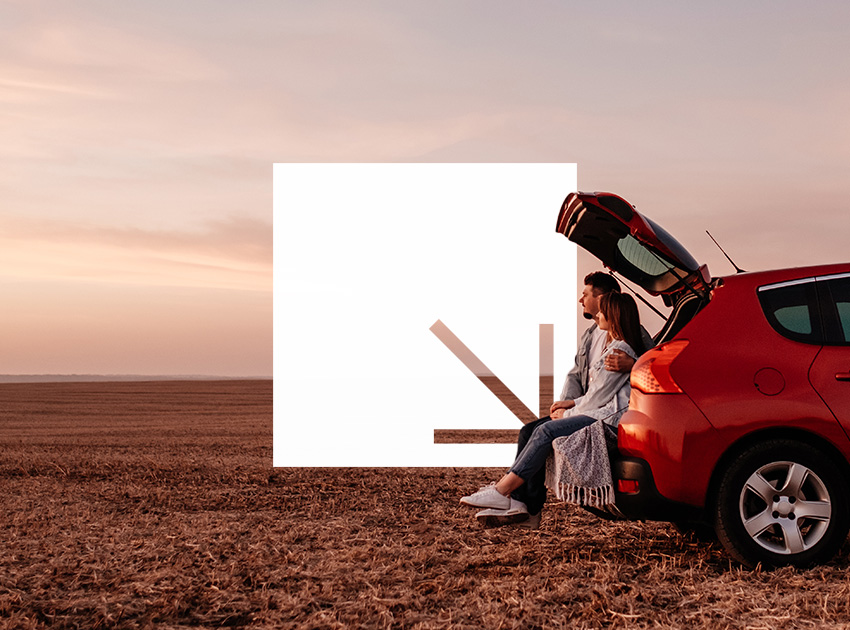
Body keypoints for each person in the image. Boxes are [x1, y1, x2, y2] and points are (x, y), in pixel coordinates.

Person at [460, 288, 649, 528]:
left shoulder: (619, 351)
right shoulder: (608, 345)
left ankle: (502, 491)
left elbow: (598, 399)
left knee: (546, 431)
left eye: (602, 310)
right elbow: (596, 394)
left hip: (607, 418)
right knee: (535, 430)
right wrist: (571, 403)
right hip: (598, 411)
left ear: (613, 315)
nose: (598, 313)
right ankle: (518, 503)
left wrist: (566, 414)